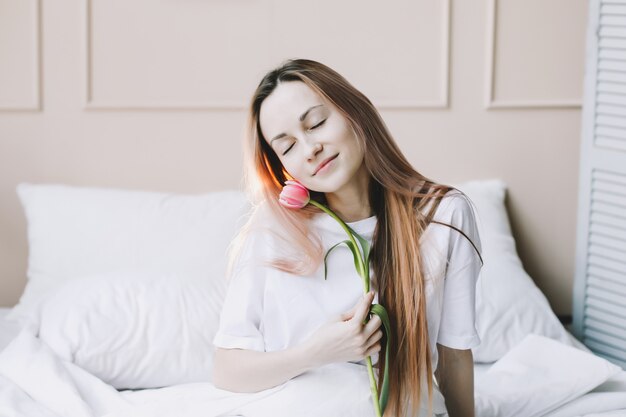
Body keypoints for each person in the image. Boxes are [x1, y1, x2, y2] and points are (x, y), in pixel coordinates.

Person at [212, 58, 483, 417]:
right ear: (281, 167)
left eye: (317, 123)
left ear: (355, 110)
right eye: (287, 147)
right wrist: (316, 353)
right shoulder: (273, 230)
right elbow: (227, 369)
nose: (310, 149)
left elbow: (453, 356)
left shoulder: (444, 215)